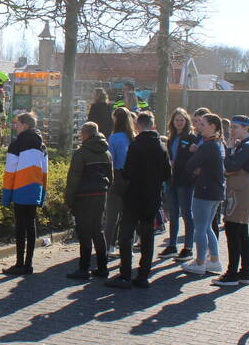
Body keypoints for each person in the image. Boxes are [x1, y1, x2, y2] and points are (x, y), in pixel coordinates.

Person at [107, 111, 171, 289]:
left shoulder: (136, 146)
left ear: (138, 125)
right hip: (152, 198)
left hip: (134, 197)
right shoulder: (161, 147)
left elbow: (128, 172)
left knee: (126, 236)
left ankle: (125, 274)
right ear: (153, 125)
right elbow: (167, 174)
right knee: (148, 237)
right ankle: (143, 275)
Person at [213, 115, 249, 287]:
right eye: (231, 127)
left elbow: (230, 166)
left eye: (235, 127)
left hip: (241, 189)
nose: (232, 130)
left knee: (234, 229)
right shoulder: (245, 145)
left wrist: (229, 149)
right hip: (240, 188)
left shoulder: (247, 146)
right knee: (241, 231)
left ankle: (233, 273)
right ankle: (244, 273)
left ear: (246, 128)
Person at [1, 112, 48, 275]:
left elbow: (10, 172)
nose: (15, 126)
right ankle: (28, 264)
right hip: (35, 189)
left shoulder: (16, 144)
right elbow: (45, 172)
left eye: (18, 123)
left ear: (25, 125)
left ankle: (19, 263)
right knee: (31, 225)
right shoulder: (42, 145)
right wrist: (42, 194)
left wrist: (6, 196)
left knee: (20, 227)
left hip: (20, 188)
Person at [64, 122, 113, 280]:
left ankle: (83, 268)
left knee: (84, 232)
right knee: (97, 230)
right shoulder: (106, 153)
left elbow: (73, 179)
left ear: (85, 134)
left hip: (83, 196)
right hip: (100, 194)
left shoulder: (81, 153)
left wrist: (69, 200)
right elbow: (111, 177)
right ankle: (103, 267)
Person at [181, 113, 226, 276]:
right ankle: (214, 260)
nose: (199, 127)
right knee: (207, 227)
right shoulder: (217, 144)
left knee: (200, 228)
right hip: (216, 191)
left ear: (212, 127)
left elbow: (190, 166)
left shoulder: (207, 146)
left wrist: (193, 153)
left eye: (202, 124)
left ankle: (200, 262)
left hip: (205, 191)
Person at [162, 108, 195, 259]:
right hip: (171, 180)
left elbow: (192, 160)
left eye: (182, 120)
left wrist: (177, 163)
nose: (179, 122)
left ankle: (188, 247)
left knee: (187, 213)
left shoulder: (191, 138)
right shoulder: (171, 139)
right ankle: (172, 246)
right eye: (177, 120)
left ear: (186, 121)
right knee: (173, 213)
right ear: (173, 122)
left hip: (185, 180)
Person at [104, 107, 136, 257]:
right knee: (128, 216)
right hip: (132, 179)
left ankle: (109, 246)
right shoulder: (133, 138)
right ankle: (128, 246)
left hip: (117, 178)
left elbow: (110, 160)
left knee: (112, 216)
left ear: (115, 119)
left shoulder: (114, 138)